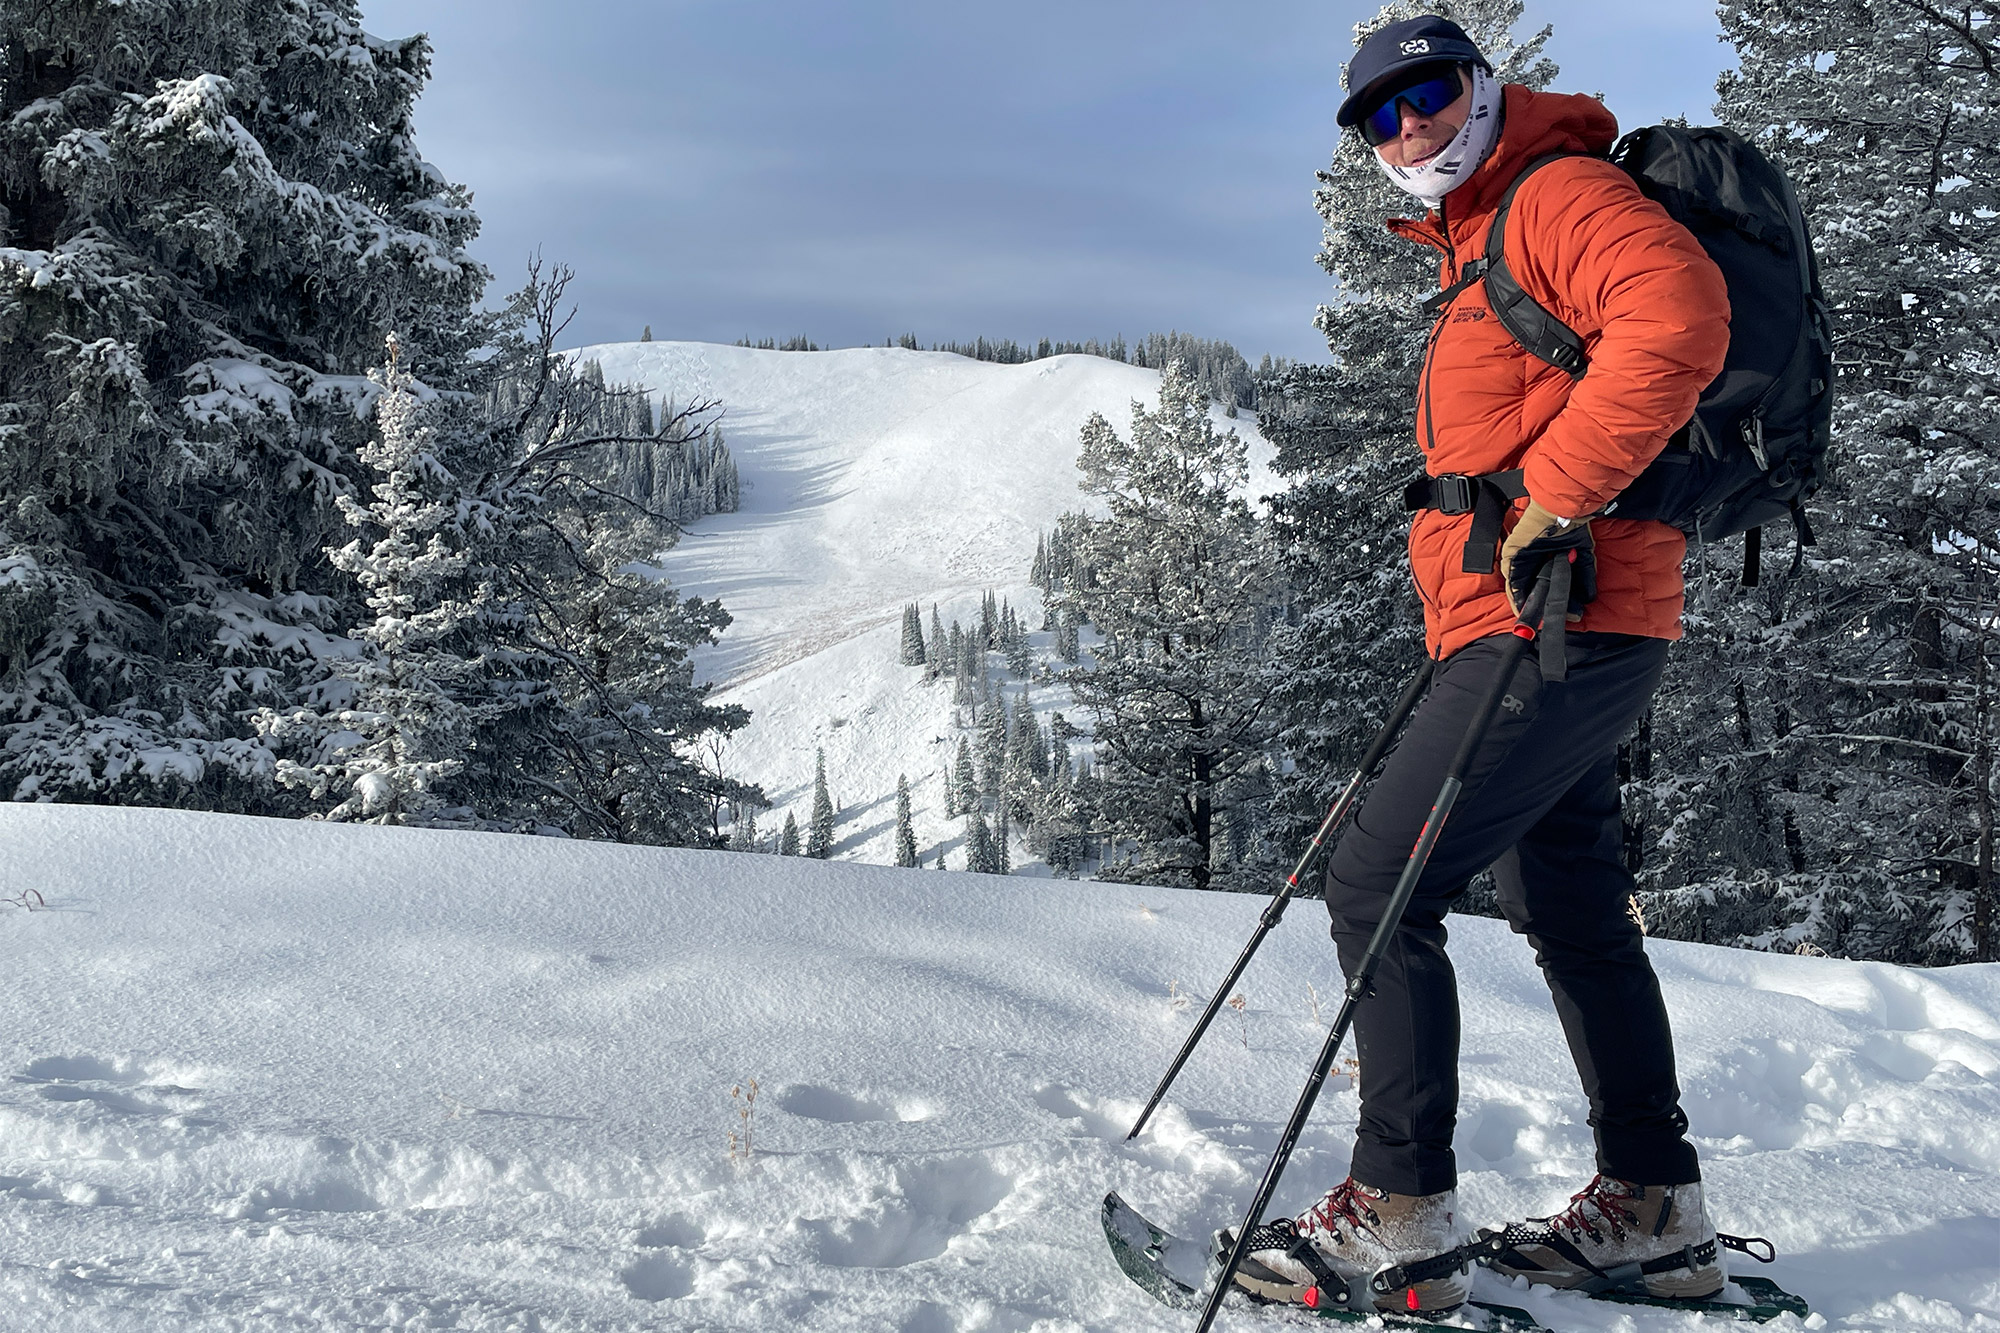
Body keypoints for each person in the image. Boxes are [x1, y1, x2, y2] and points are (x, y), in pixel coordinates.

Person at [1229, 17, 1732, 1315]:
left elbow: (1679, 314)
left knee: (1377, 883)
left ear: (1483, 87)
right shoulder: (1480, 235)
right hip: (1554, 626)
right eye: (1380, 119)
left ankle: (1398, 1214)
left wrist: (1555, 501)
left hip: (1559, 620)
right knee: (1568, 909)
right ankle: (1654, 1210)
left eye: (1431, 94)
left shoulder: (1553, 195)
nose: (1410, 129)